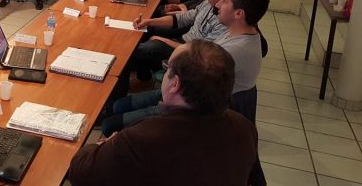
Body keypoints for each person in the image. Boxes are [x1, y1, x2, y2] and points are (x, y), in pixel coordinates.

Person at [69, 40, 258, 186]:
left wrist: (104, 145)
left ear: (175, 84)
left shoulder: (143, 137)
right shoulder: (244, 127)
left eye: (167, 69)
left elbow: (80, 172)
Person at [125, 0, 235, 91]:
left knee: (138, 50)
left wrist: (163, 40)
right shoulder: (207, 4)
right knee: (146, 30)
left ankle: (131, 82)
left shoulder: (225, 21)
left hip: (191, 53)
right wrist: (148, 21)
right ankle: (145, 77)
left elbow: (200, 52)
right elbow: (181, 19)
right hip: (183, 41)